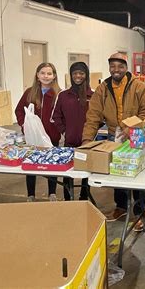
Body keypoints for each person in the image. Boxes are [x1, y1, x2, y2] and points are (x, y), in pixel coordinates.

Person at [82, 52, 145, 230]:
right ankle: (121, 207)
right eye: (113, 66)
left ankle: (139, 212)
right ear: (109, 68)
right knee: (117, 173)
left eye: (120, 66)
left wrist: (131, 127)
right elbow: (93, 115)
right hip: (113, 137)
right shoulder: (103, 89)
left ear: (126, 68)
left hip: (136, 137)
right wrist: (86, 142)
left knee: (138, 177)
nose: (116, 70)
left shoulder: (139, 87)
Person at [15, 62, 61, 202]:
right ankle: (31, 194)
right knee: (31, 164)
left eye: (49, 73)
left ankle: (52, 193)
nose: (45, 76)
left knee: (51, 164)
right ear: (37, 75)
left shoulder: (59, 94)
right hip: (32, 137)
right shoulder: (30, 92)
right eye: (42, 73)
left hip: (51, 137)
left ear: (54, 76)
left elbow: (63, 114)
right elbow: (19, 110)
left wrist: (59, 129)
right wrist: (24, 126)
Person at [51, 62, 93, 201]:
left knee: (86, 171)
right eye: (75, 73)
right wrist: (64, 131)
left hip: (87, 142)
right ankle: (68, 199)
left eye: (81, 73)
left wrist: (92, 133)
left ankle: (84, 196)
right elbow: (56, 116)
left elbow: (99, 117)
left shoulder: (93, 96)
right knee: (67, 172)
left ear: (86, 75)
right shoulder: (64, 95)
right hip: (69, 141)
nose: (78, 76)